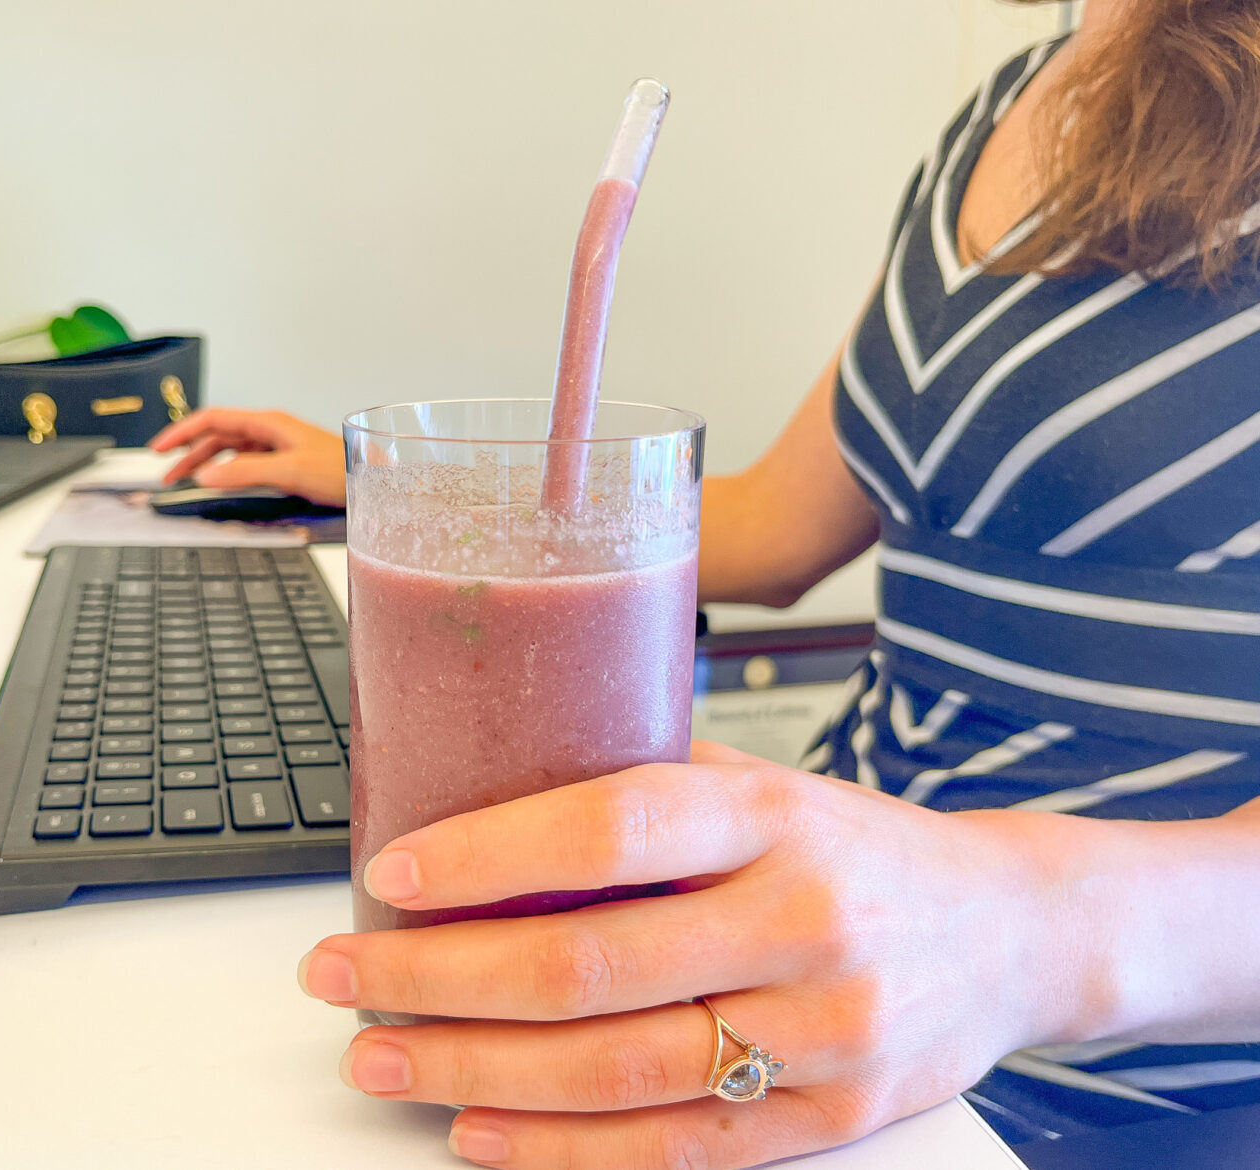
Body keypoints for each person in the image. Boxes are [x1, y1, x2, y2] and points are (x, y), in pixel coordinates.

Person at [153, 1, 1260, 1164]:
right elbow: (779, 528)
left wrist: (1014, 936)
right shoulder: (1018, 102)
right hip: (807, 975)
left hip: (1137, 1076)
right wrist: (366, 479)